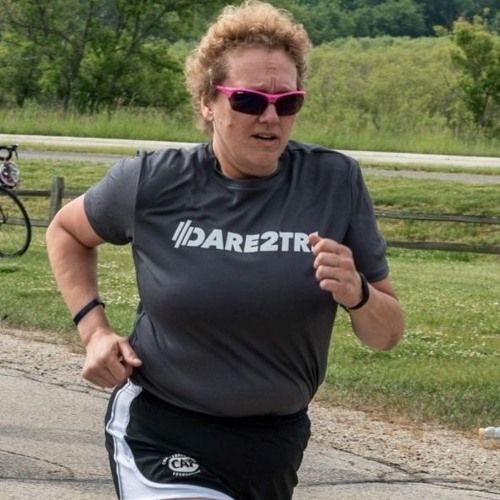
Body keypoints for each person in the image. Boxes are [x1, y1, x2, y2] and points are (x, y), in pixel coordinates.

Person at [46, 1, 404, 499]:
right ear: (207, 103)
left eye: (288, 102)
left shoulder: (333, 181)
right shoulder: (153, 181)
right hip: (163, 429)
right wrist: (95, 330)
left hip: (275, 444)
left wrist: (358, 293)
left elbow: (387, 335)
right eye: (249, 100)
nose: (271, 116)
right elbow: (66, 231)